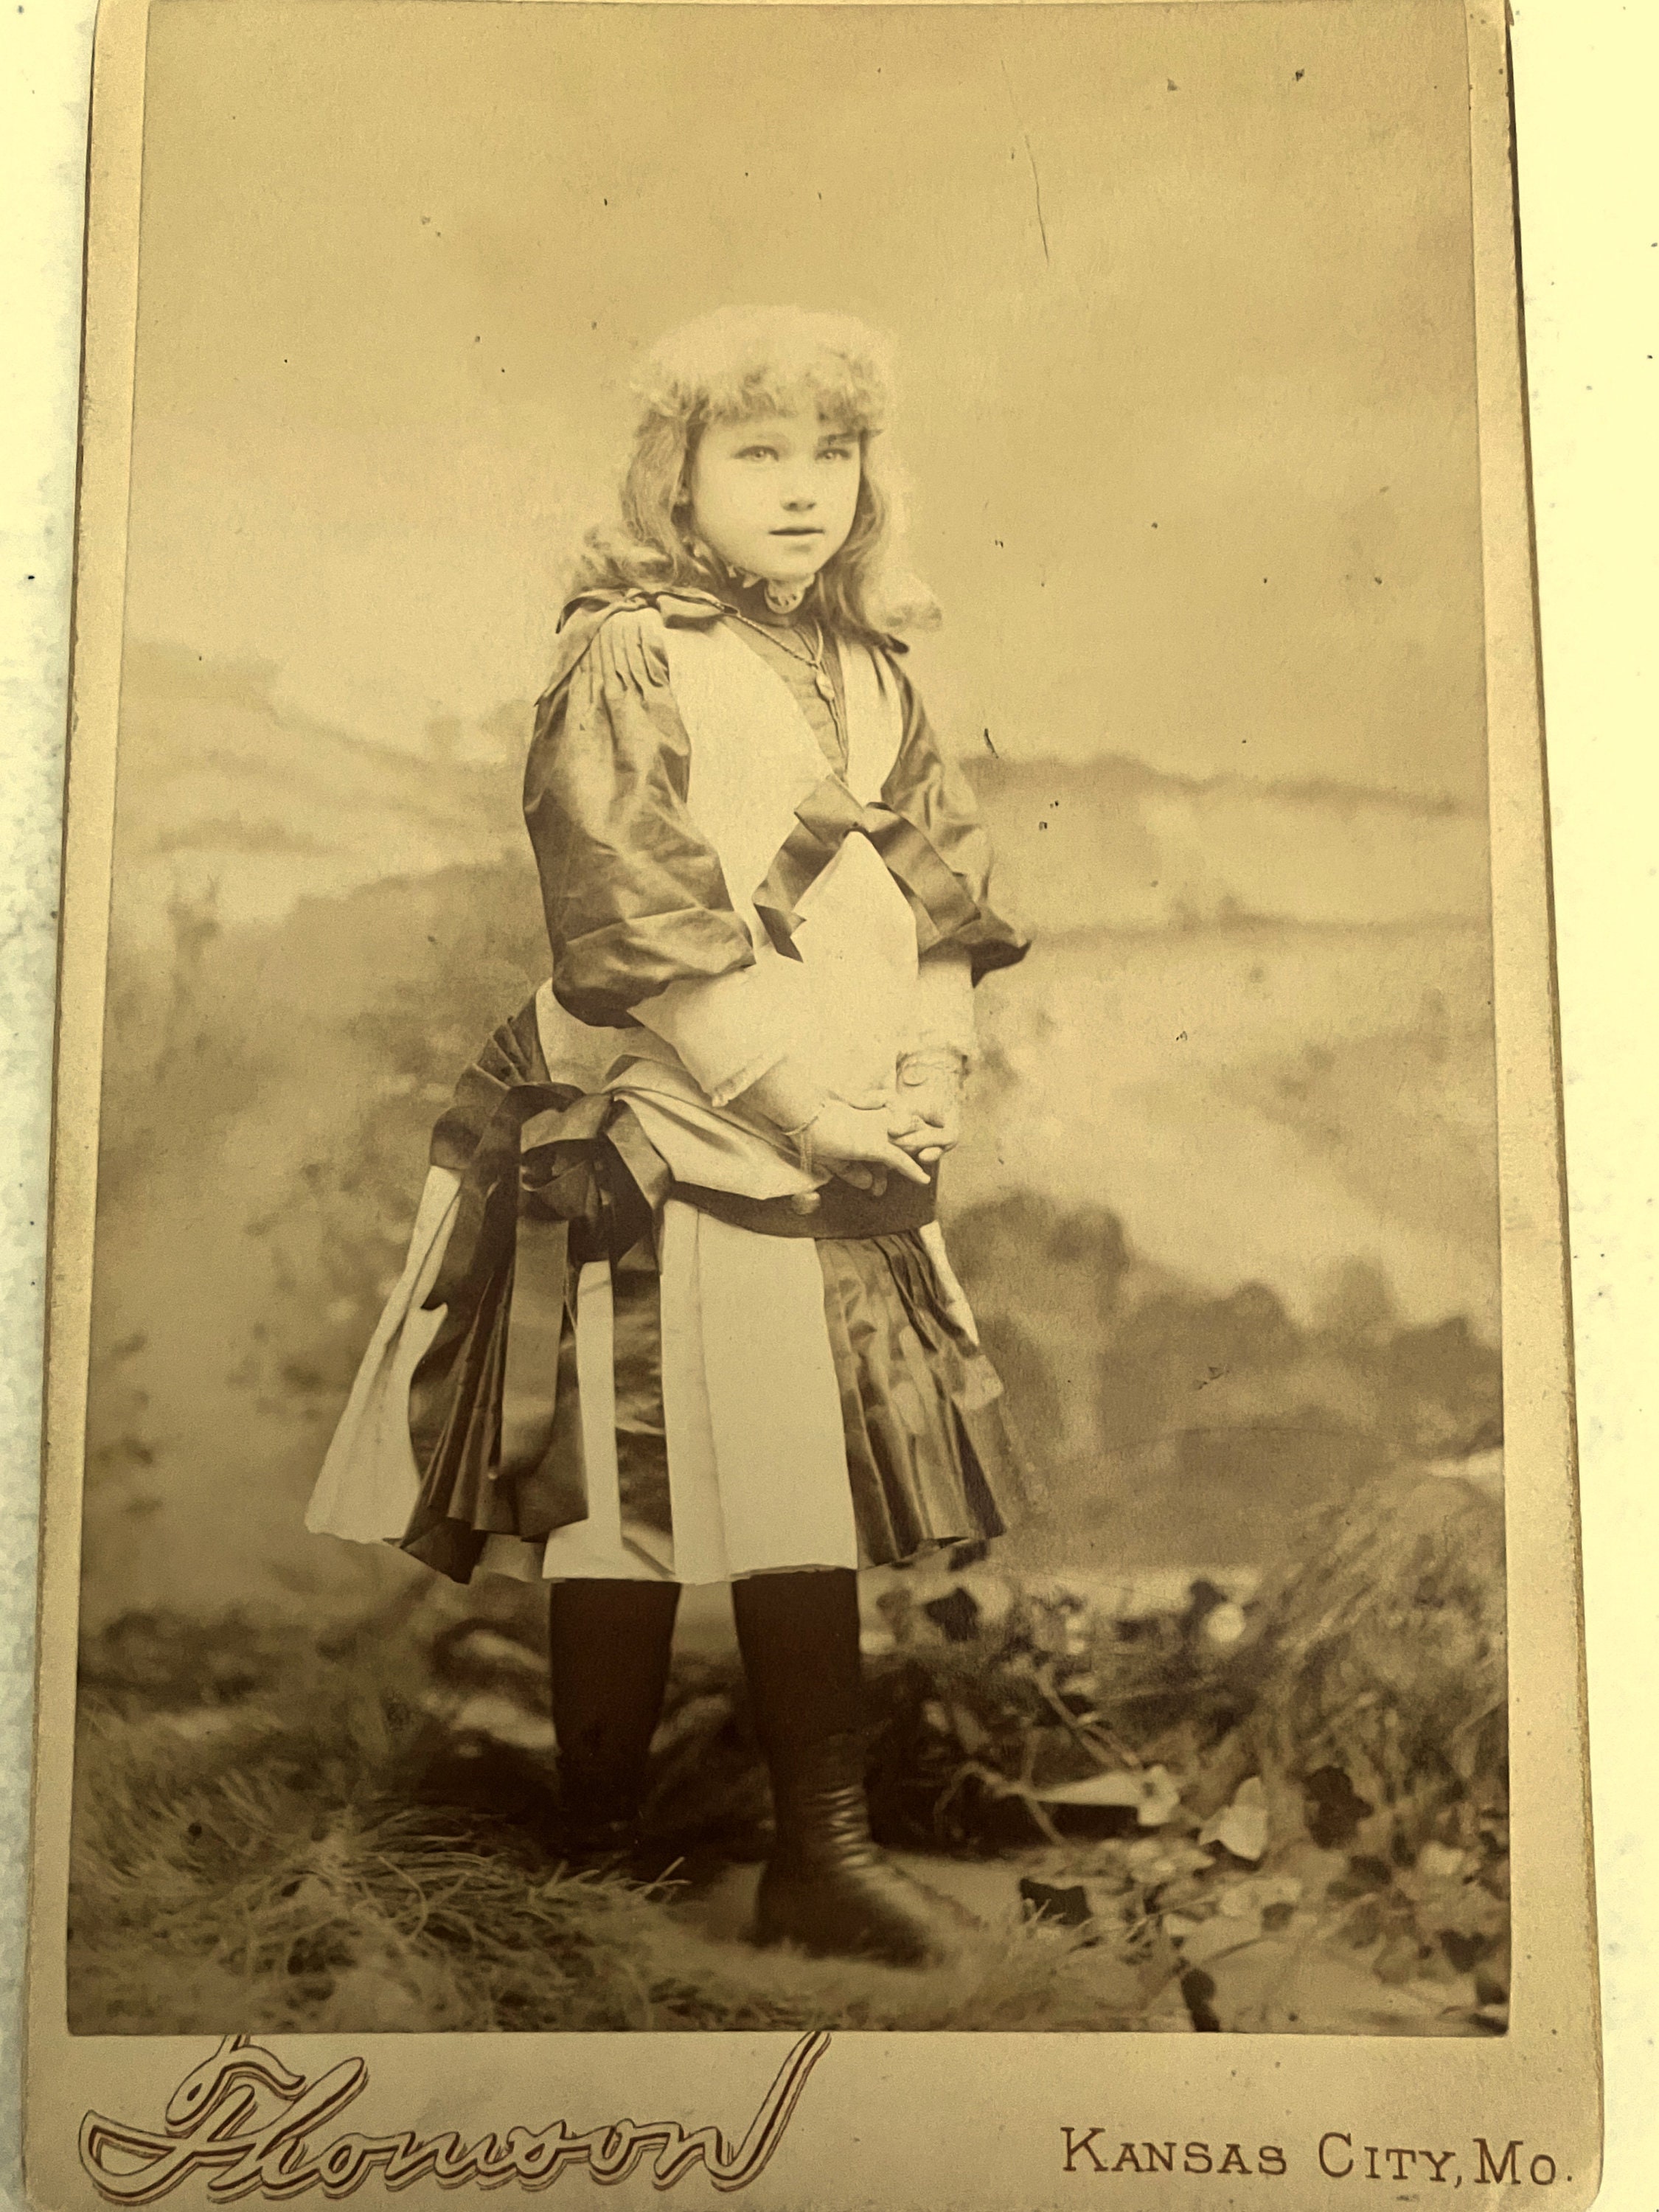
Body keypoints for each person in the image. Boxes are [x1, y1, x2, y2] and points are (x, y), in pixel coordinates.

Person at [307, 305, 1032, 1967]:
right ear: (679, 476)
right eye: (755, 453)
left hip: (842, 1133)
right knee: (613, 1489)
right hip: (663, 1125)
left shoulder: (881, 668)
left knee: (793, 1481)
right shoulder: (631, 653)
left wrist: (928, 1072)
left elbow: (944, 901)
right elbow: (632, 918)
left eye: (829, 454)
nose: (799, 490)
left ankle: (817, 1856)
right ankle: (597, 1847)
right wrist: (805, 1106)